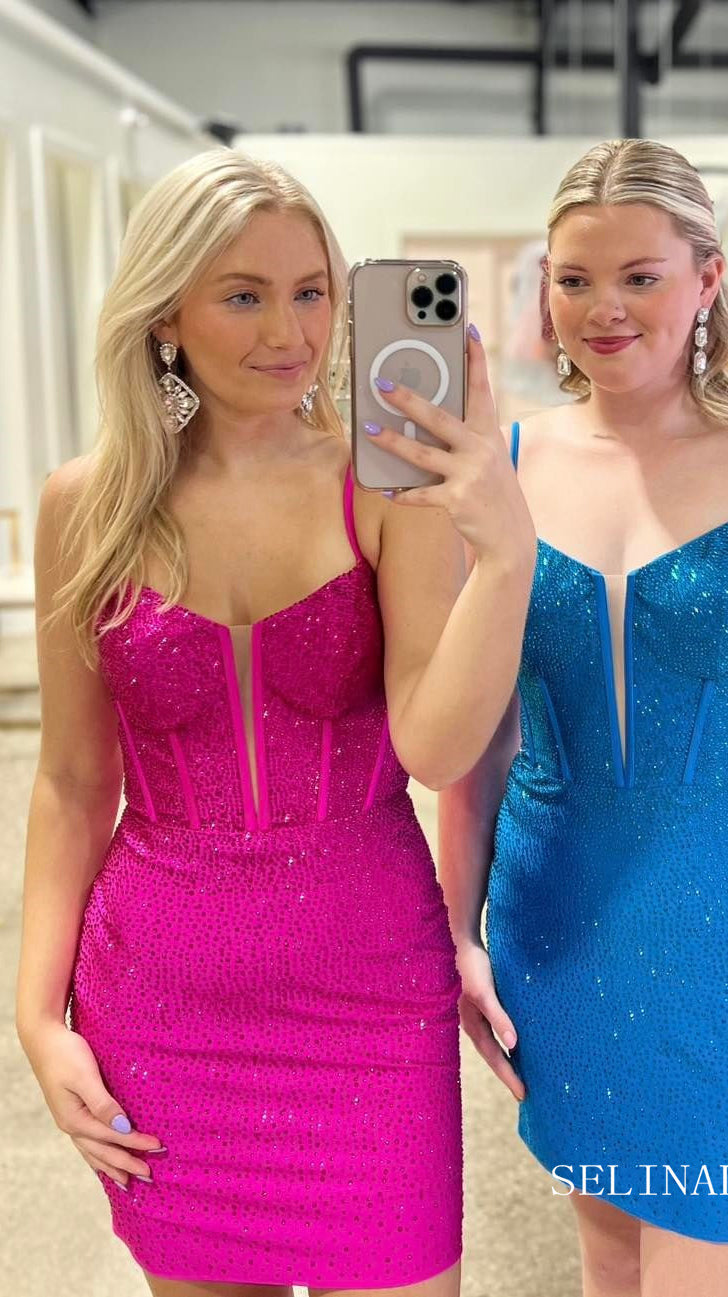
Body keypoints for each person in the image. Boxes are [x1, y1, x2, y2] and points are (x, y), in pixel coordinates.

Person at [15, 149, 535, 1297]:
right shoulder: (85, 505)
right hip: (161, 1005)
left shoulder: (386, 483)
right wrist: (37, 1019)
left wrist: (506, 557)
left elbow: (435, 748)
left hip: (370, 996)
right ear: (165, 314)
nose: (290, 331)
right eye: (244, 295)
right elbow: (71, 782)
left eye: (311, 291)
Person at [438, 138, 728, 1297]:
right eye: (575, 278)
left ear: (707, 280)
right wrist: (454, 928)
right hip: (556, 931)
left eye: (639, 277)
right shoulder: (503, 466)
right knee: (609, 1257)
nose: (603, 309)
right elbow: (479, 741)